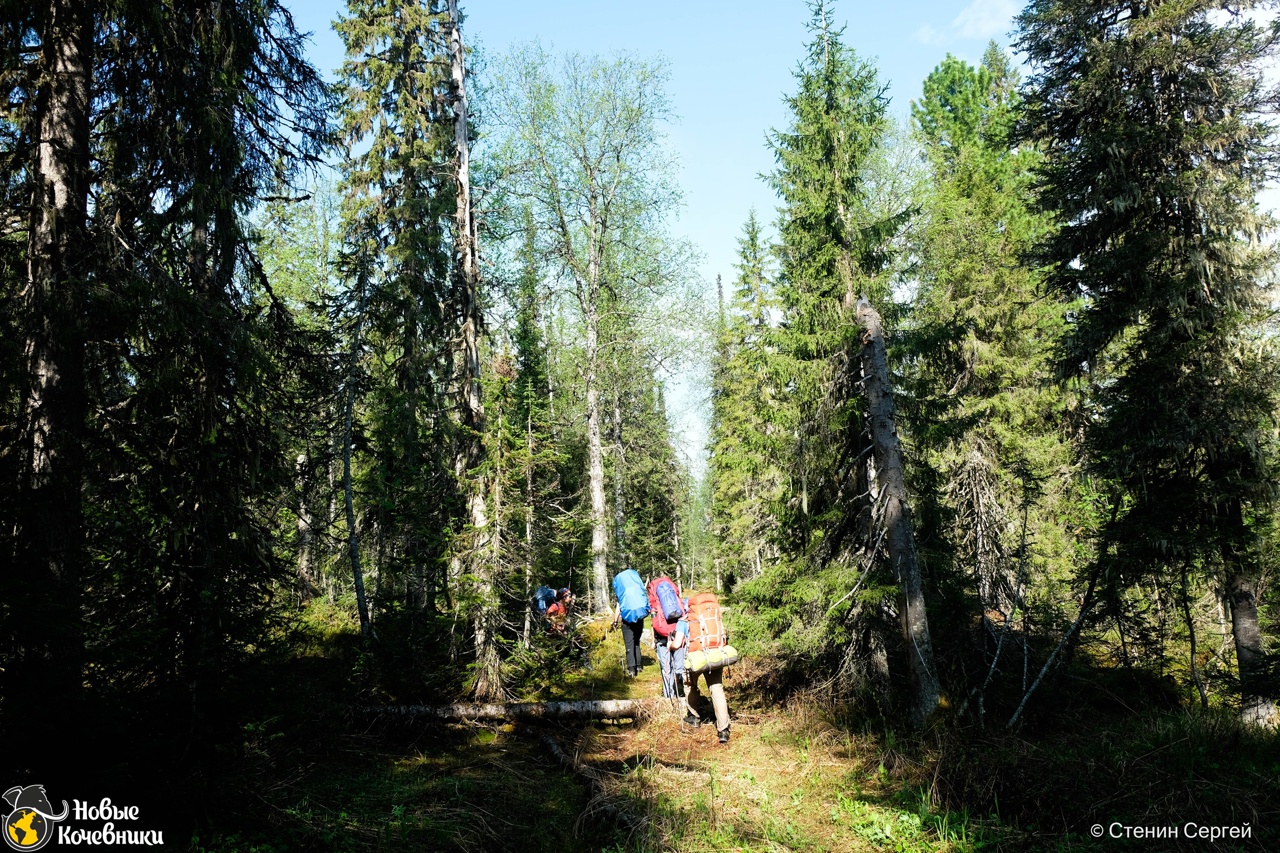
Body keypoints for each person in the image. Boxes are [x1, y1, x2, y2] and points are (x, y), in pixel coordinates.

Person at [683, 592, 732, 743]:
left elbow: (680, 642)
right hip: (715, 654)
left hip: (696, 657)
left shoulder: (688, 618)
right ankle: (723, 730)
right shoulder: (714, 615)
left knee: (689, 684)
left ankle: (694, 717)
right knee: (716, 688)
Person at [611, 568, 649, 677]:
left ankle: (632, 669)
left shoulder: (622, 594)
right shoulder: (636, 589)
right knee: (636, 642)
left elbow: (618, 608)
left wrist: (615, 621)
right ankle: (639, 666)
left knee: (629, 644)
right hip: (639, 618)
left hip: (627, 620)